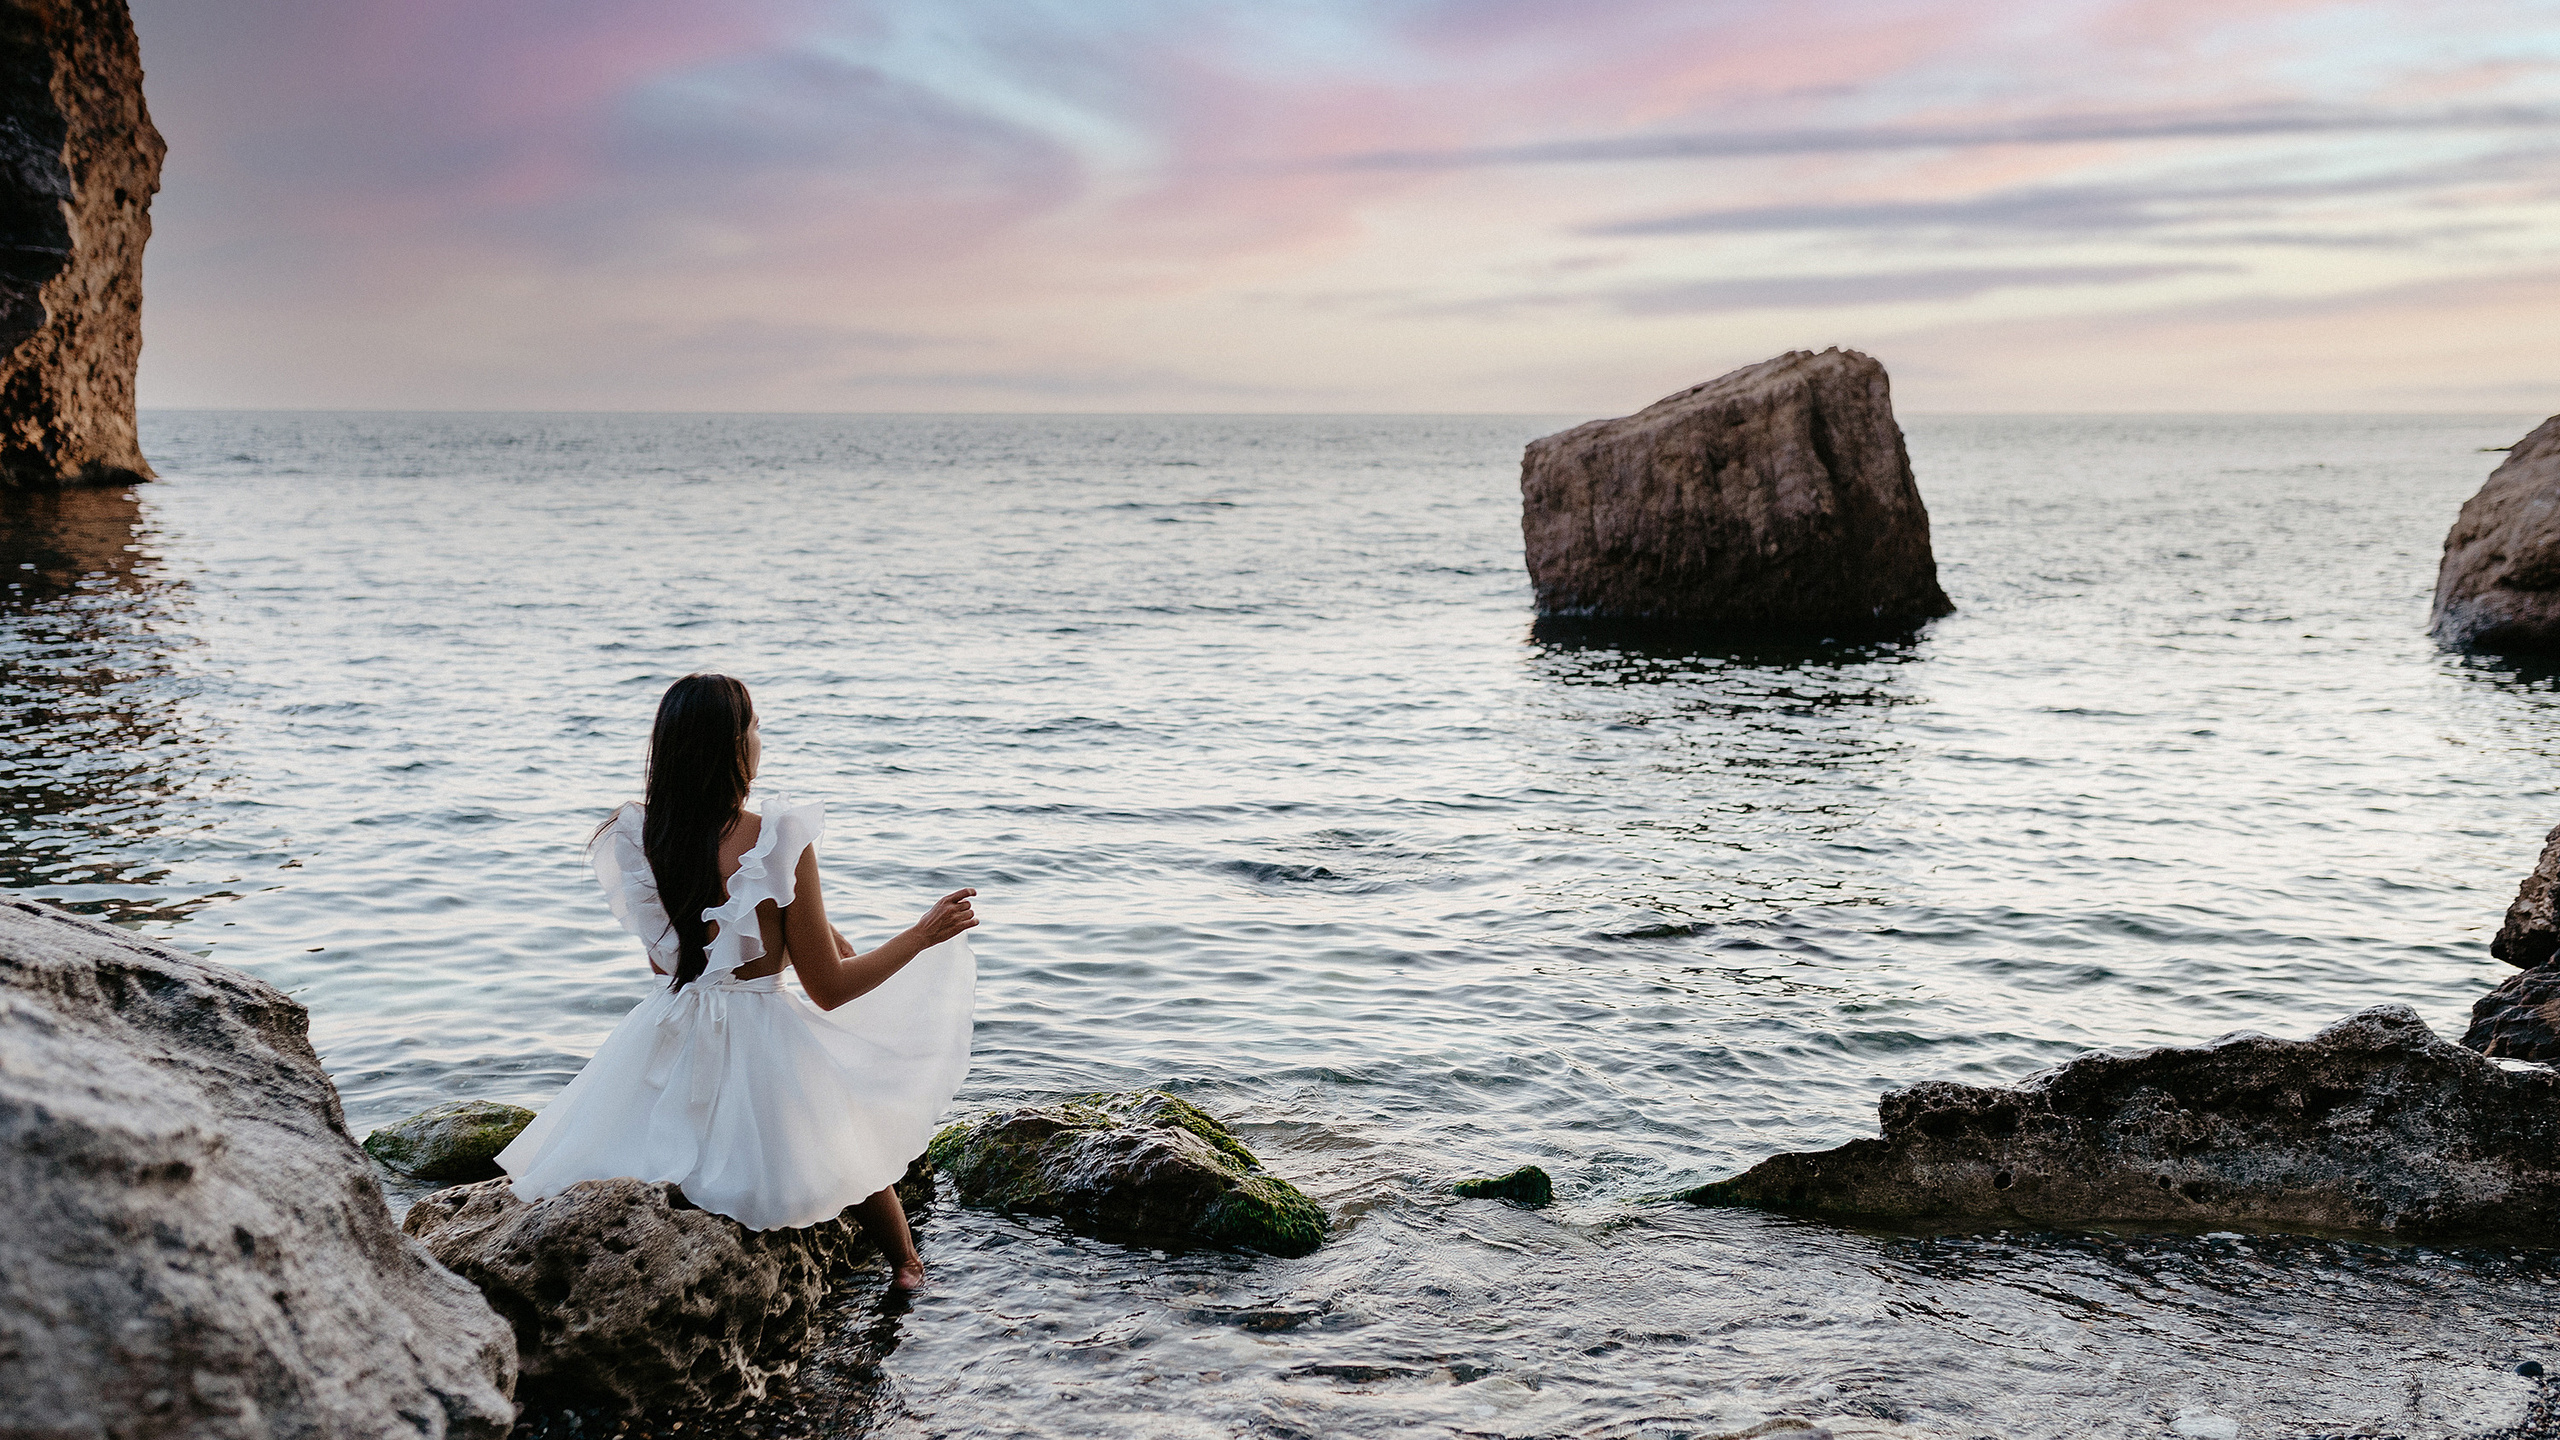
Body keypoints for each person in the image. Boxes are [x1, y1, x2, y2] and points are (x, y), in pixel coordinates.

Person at [498, 673, 977, 1291]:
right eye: (753, 727)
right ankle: (906, 1266)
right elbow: (828, 988)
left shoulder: (643, 836)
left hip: (669, 1023)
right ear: (730, 745)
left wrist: (794, 932)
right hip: (762, 1026)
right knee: (842, 1133)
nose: (760, 739)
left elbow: (664, 962)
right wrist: (922, 934)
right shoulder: (778, 836)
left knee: (633, 1141)